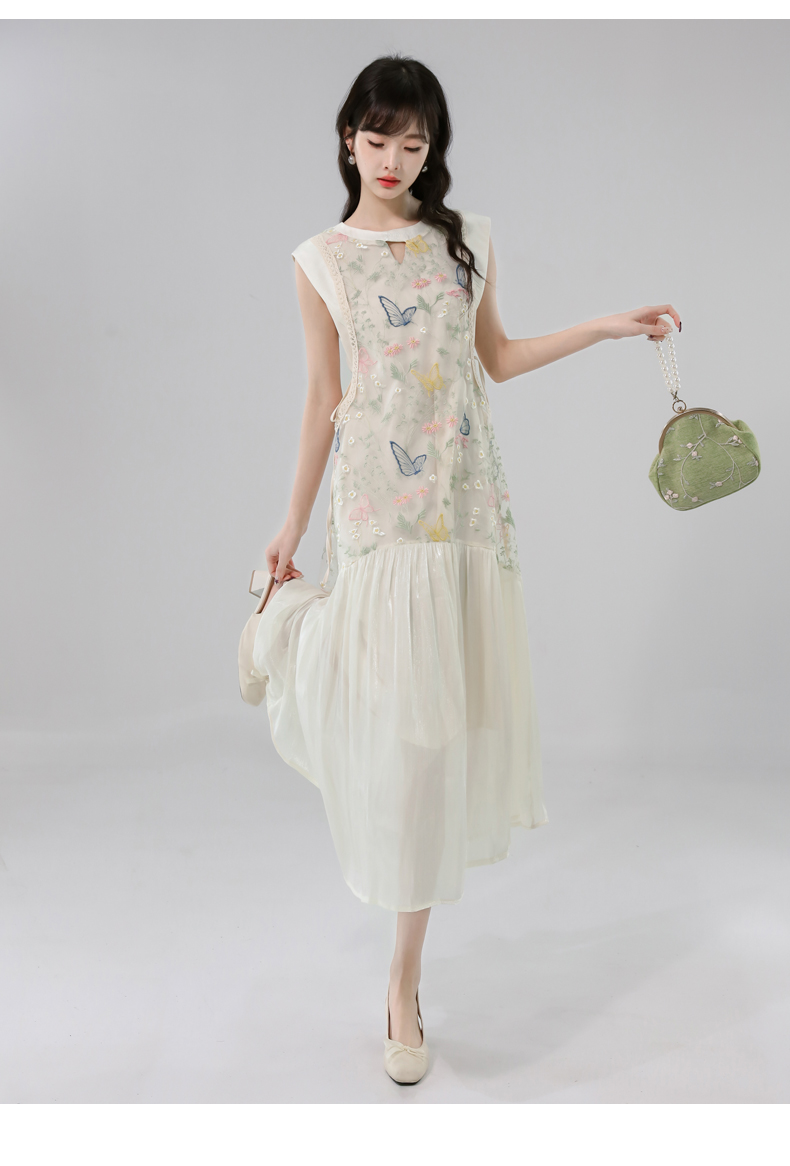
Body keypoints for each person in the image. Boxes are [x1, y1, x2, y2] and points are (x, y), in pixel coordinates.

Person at [249, 53, 680, 1085]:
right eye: (378, 137)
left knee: (433, 749)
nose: (394, 159)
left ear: (431, 148)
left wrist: (606, 327)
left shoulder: (466, 241)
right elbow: (323, 400)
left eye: (415, 141)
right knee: (401, 744)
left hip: (460, 512)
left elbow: (497, 359)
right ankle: (287, 636)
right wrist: (289, 523)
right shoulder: (321, 259)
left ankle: (402, 981)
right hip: (376, 518)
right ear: (347, 137)